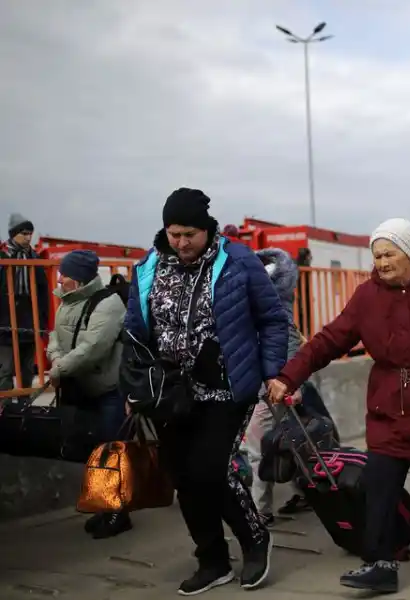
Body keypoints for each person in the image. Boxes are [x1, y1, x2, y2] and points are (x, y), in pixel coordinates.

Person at [268, 218, 410, 594]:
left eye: (389, 254)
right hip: (392, 399)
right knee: (379, 480)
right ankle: (380, 561)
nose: (382, 263)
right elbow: (328, 340)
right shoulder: (367, 296)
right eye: (377, 256)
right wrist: (289, 376)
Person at [122, 188, 290, 595]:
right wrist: (134, 386)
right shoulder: (148, 267)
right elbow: (133, 330)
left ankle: (254, 539)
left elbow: (272, 318)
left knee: (211, 471)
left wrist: (272, 372)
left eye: (190, 234)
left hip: (226, 387)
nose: (181, 242)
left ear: (207, 230)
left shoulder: (237, 261)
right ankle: (212, 560)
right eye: (174, 233)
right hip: (170, 393)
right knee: (183, 476)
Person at [47, 250, 131, 538]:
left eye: (66, 275)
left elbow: (93, 348)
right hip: (81, 388)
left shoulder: (109, 304)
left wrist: (59, 369)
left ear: (80, 278)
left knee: (109, 454)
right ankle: (103, 508)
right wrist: (57, 359)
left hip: (108, 390)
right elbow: (54, 338)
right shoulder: (66, 301)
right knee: (92, 453)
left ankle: (116, 514)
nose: (61, 278)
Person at [242, 247, 310, 523]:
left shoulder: (267, 306)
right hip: (277, 385)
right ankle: (305, 491)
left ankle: (260, 511)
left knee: (260, 449)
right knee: (288, 444)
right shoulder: (278, 302)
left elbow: (287, 343)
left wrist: (290, 382)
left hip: (271, 387)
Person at [0, 213, 50, 392]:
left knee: (27, 368)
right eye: (24, 233)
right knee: (4, 369)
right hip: (5, 320)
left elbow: (43, 291)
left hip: (30, 319)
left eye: (30, 233)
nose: (28, 237)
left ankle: (23, 407)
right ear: (13, 234)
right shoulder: (3, 257)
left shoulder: (34, 258)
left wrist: (43, 320)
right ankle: (4, 409)